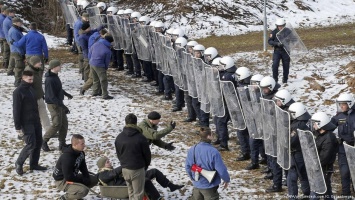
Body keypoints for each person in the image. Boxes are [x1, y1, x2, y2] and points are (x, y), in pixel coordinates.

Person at [97, 157, 184, 200]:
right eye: (107, 162)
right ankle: (157, 198)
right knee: (145, 181)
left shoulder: (109, 171)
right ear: (102, 165)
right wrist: (125, 164)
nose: (110, 162)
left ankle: (170, 186)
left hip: (128, 180)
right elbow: (114, 173)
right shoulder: (102, 174)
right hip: (122, 187)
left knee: (154, 171)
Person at [13, 71, 47, 175]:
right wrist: (17, 126)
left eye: (32, 79)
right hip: (26, 122)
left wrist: (39, 119)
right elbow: (16, 110)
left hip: (35, 120)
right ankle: (19, 162)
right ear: (23, 78)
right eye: (29, 79)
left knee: (38, 142)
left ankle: (34, 164)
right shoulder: (18, 92)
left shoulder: (31, 89)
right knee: (31, 144)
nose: (31, 81)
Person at [186, 127, 230, 199]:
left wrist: (193, 178)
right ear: (209, 136)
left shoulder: (192, 149)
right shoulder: (213, 151)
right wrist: (226, 180)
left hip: (197, 185)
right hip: (210, 187)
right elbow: (221, 170)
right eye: (212, 134)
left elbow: (188, 167)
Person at [115, 113, 151, 200]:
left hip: (125, 168)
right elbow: (147, 154)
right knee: (138, 193)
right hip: (137, 168)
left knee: (130, 191)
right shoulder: (141, 137)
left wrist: (123, 163)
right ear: (135, 123)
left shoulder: (119, 137)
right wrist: (145, 165)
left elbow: (118, 153)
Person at [266, 89, 295, 193]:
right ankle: (284, 182)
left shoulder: (289, 111)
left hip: (284, 141)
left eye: (278, 101)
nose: (277, 103)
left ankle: (277, 185)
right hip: (280, 139)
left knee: (280, 163)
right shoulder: (283, 108)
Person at [53, 134, 98, 200]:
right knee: (83, 190)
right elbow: (68, 177)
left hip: (73, 176)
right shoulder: (67, 158)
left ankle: (77, 193)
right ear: (75, 144)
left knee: (94, 179)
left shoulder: (80, 153)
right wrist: (82, 181)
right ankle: (66, 197)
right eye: (82, 144)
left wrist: (86, 177)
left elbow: (83, 166)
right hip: (62, 180)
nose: (84, 145)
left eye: (84, 143)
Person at [42, 60, 73, 152]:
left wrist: (66, 94)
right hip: (54, 105)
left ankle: (62, 144)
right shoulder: (50, 80)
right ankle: (44, 141)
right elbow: (51, 97)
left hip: (58, 103)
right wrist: (63, 106)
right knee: (56, 124)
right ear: (53, 67)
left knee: (64, 124)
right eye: (59, 66)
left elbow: (58, 89)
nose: (60, 67)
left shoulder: (54, 76)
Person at [309, 112, 338, 200]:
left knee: (316, 190)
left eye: (314, 123)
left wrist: (314, 164)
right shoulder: (320, 134)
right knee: (326, 190)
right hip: (320, 167)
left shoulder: (328, 138)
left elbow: (324, 157)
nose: (313, 125)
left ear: (320, 124)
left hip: (323, 168)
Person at [331, 93, 355, 198]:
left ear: (349, 104)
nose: (341, 106)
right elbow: (329, 126)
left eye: (343, 104)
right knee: (344, 172)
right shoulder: (338, 116)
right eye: (340, 104)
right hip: (343, 148)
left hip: (354, 147)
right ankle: (346, 194)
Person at [287, 102, 310, 199]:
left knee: (292, 176)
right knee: (303, 174)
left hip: (297, 153)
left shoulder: (298, 125)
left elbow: (292, 141)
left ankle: (293, 196)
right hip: (301, 153)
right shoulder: (301, 122)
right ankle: (307, 193)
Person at [213, 56, 237, 151]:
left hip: (227, 102)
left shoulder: (226, 76)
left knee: (221, 122)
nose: (220, 67)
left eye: (222, 65)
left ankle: (223, 143)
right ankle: (221, 139)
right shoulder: (233, 73)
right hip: (231, 102)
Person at [25, 56, 51, 132]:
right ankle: (23, 132)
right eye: (38, 62)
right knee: (30, 116)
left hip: (39, 96)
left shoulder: (37, 70)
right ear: (33, 64)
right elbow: (26, 87)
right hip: (32, 98)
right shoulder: (29, 72)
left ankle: (48, 131)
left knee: (43, 113)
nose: (40, 63)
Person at [89, 34, 114, 99]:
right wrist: (105, 67)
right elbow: (107, 61)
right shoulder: (107, 50)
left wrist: (91, 59)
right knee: (103, 80)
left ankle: (95, 91)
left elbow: (90, 51)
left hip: (92, 63)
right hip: (99, 65)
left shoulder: (96, 44)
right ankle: (105, 95)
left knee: (95, 79)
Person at [268, 18, 291, 84]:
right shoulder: (274, 32)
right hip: (277, 51)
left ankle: (285, 79)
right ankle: (275, 79)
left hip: (286, 51)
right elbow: (269, 41)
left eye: (281, 26)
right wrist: (277, 44)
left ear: (284, 25)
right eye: (279, 26)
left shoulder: (288, 31)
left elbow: (294, 39)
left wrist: (288, 41)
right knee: (275, 65)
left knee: (286, 66)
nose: (280, 27)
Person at [8, 17, 25, 87]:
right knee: (19, 67)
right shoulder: (14, 31)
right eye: (20, 22)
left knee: (19, 66)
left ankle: (19, 80)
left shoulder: (15, 29)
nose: (21, 23)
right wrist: (22, 53)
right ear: (16, 23)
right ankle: (17, 82)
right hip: (17, 51)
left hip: (15, 50)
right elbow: (18, 44)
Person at [3, 8, 15, 74]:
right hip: (10, 39)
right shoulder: (8, 21)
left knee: (8, 53)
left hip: (8, 39)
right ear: (10, 13)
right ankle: (10, 68)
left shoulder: (8, 20)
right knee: (11, 54)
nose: (14, 14)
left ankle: (8, 66)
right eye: (13, 13)